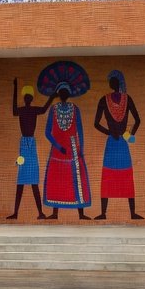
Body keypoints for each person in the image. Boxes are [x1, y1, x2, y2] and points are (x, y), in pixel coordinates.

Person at [93, 69, 143, 220]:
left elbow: (137, 120)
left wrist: (129, 134)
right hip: (113, 142)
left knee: (127, 175)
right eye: (111, 81)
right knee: (107, 176)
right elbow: (96, 124)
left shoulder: (127, 99)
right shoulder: (104, 99)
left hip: (122, 142)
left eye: (113, 80)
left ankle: (132, 213)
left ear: (117, 83)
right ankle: (103, 212)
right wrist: (108, 132)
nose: (111, 83)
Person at [6, 78, 55, 220]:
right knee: (20, 182)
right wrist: (15, 88)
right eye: (26, 97)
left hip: (31, 145)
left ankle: (40, 212)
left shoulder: (33, 110)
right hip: (24, 145)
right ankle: (16, 213)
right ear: (25, 98)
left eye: (29, 97)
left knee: (34, 182)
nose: (27, 98)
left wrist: (52, 96)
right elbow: (14, 109)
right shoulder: (21, 111)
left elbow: (45, 109)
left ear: (31, 98)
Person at [42, 82, 91, 219]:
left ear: (69, 94)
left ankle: (81, 214)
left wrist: (81, 148)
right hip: (58, 150)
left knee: (77, 178)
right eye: (61, 92)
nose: (63, 94)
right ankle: (54, 213)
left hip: (73, 148)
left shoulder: (75, 109)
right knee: (56, 179)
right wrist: (58, 146)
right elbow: (47, 132)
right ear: (59, 94)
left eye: (66, 92)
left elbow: (80, 130)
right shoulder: (53, 109)